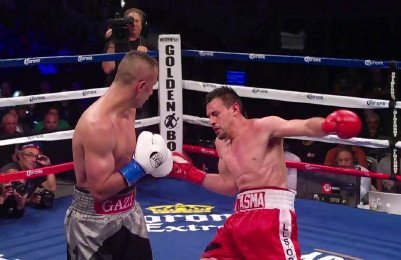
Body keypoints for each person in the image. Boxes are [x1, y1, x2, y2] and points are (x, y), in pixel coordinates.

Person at [168, 86, 362, 259]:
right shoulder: (221, 144)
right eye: (209, 116)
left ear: (235, 109)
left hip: (271, 215)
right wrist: (192, 174)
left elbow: (303, 126)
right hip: (239, 217)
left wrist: (328, 125)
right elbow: (229, 185)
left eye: (216, 114)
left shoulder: (263, 127)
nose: (211, 121)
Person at [65, 50, 173, 260]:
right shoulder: (97, 125)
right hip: (93, 223)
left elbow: (122, 160)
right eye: (151, 87)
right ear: (140, 86)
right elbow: (99, 190)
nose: (151, 93)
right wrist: (140, 167)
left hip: (130, 213)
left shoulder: (129, 110)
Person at [102, 8, 153, 120]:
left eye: (136, 21)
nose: (133, 24)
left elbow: (155, 73)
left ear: (143, 25)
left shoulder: (148, 42)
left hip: (139, 99)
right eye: (130, 21)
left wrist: (146, 55)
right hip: (116, 98)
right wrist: (112, 41)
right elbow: (108, 69)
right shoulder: (115, 41)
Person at [0, 141, 56, 210]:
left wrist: (48, 166)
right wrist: (28, 199)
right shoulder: (11, 171)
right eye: (30, 155)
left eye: (36, 156)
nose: (34, 159)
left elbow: (51, 187)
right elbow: (10, 200)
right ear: (20, 156)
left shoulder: (35, 169)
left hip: (21, 210)